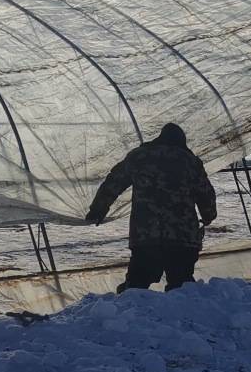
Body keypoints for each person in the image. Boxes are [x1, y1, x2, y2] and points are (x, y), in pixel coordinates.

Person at [85, 122, 218, 290]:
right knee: (181, 287)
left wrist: (98, 208)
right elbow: (206, 194)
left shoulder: (139, 156)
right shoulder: (190, 161)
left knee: (136, 287)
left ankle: (130, 313)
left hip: (146, 236)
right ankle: (180, 316)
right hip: (182, 238)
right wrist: (208, 216)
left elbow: (113, 182)